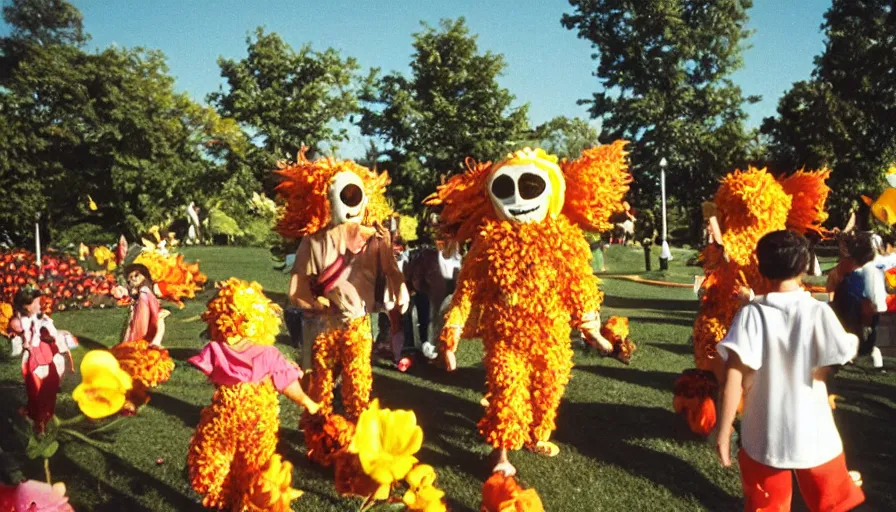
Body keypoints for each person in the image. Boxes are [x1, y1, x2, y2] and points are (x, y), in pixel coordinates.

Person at [716, 230, 865, 512]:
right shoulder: (818, 312)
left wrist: (724, 434)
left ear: (761, 267)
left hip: (764, 435)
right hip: (815, 432)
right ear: (805, 266)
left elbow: (733, 379)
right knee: (832, 505)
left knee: (766, 506)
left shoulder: (752, 313)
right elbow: (844, 350)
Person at [187, 278, 317, 510]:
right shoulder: (267, 354)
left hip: (223, 421)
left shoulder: (215, 350)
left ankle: (223, 497)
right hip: (257, 424)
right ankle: (246, 502)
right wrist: (308, 401)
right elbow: (287, 384)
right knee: (253, 468)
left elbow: (209, 371)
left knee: (218, 461)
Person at [7, 287, 76, 433]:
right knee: (37, 390)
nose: (39, 305)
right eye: (36, 303)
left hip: (47, 357)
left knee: (50, 387)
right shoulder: (21, 322)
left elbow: (51, 333)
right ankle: (39, 420)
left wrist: (61, 336)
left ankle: (44, 414)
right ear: (26, 306)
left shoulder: (41, 318)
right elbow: (21, 338)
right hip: (35, 360)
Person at [121, 263, 169, 346]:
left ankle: (154, 341)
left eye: (136, 275)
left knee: (159, 319)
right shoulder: (135, 295)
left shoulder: (149, 289)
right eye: (130, 278)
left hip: (152, 313)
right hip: (142, 316)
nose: (134, 279)